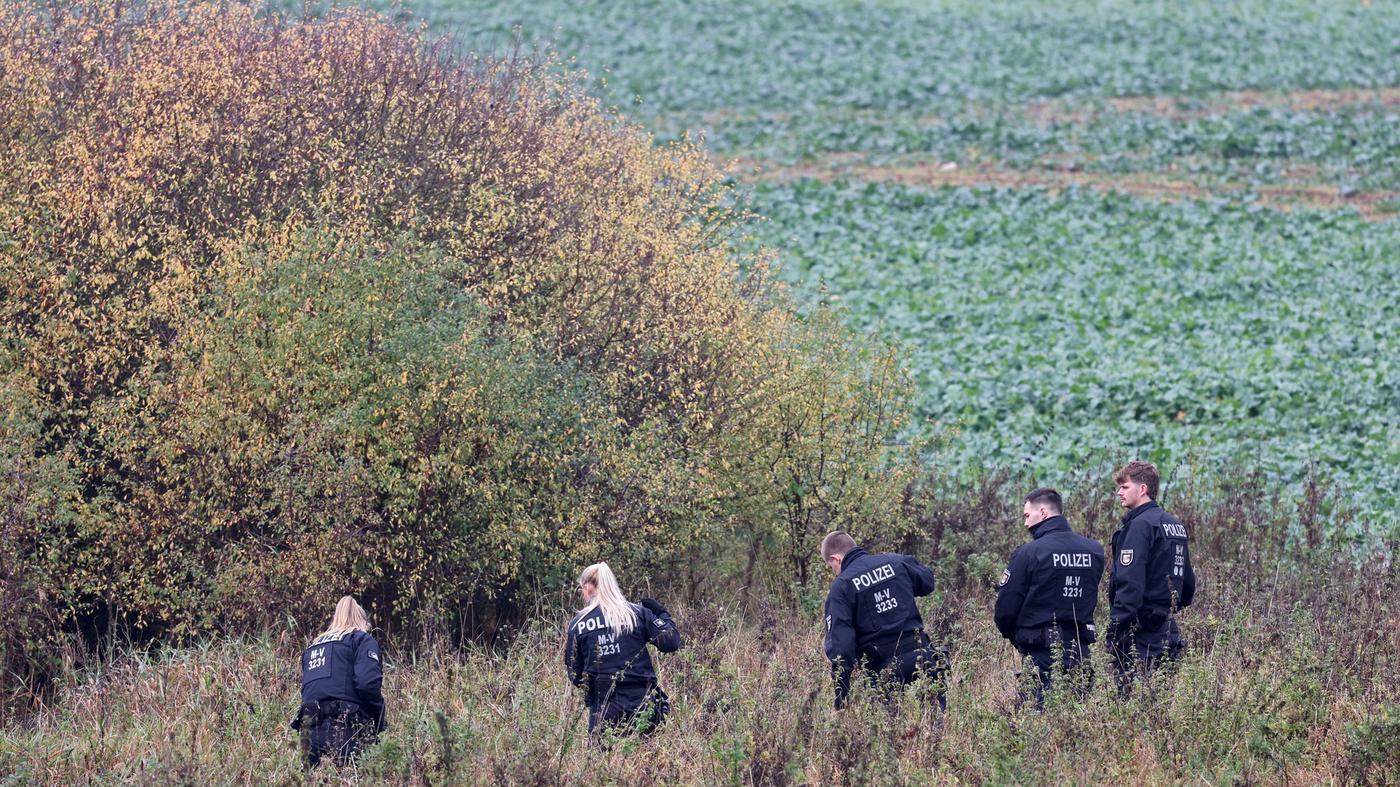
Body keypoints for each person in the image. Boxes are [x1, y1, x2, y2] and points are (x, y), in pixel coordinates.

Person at [994, 488, 1105, 709]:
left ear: (1043, 512)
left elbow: (1005, 609)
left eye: (1027, 516)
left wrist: (1016, 638)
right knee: (1077, 721)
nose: (1026, 523)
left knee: (1036, 722)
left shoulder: (1029, 553)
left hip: (1041, 651)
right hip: (1080, 650)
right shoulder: (1094, 550)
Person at [821, 531, 947, 711]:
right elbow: (927, 581)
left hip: (885, 671)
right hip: (923, 657)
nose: (834, 572)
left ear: (835, 559)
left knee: (890, 733)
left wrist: (842, 696)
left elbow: (842, 647)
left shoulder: (842, 588)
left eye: (830, 567)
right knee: (936, 727)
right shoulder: (896, 562)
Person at [564, 562, 682, 739]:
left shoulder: (579, 624)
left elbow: (575, 674)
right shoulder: (637, 613)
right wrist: (661, 613)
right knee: (647, 762)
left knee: (602, 765)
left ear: (588, 587)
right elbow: (671, 642)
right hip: (644, 703)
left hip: (604, 708)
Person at [1107, 461, 1196, 694]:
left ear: (1143, 489)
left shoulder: (1139, 526)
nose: (1119, 492)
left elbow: (1129, 583)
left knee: (1131, 707)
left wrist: (1117, 628)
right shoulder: (1175, 525)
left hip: (1140, 632)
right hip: (1168, 630)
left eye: (1125, 487)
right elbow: (1187, 585)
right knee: (1162, 707)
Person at [291, 595, 386, 767]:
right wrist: (380, 720)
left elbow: (308, 690)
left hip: (310, 731)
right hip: (346, 729)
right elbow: (367, 684)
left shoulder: (312, 648)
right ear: (363, 621)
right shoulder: (361, 640)